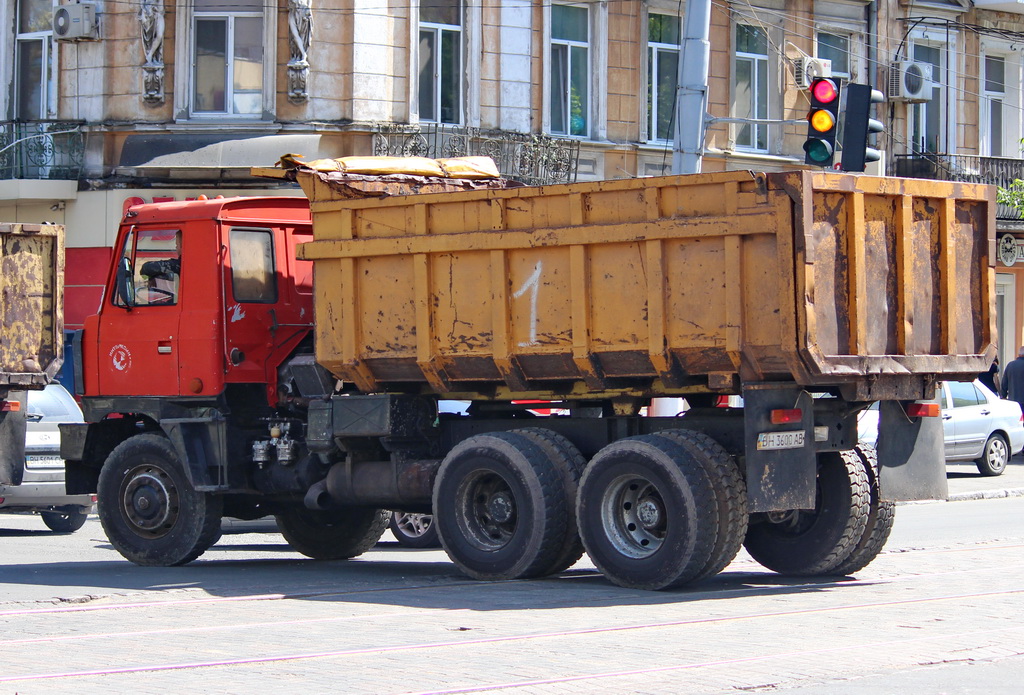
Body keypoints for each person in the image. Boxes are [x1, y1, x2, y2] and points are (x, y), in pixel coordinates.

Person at [1000, 347, 1024, 411]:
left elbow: (1004, 383)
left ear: (1019, 354)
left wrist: (1003, 396)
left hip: (1013, 401)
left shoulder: (1010, 365)